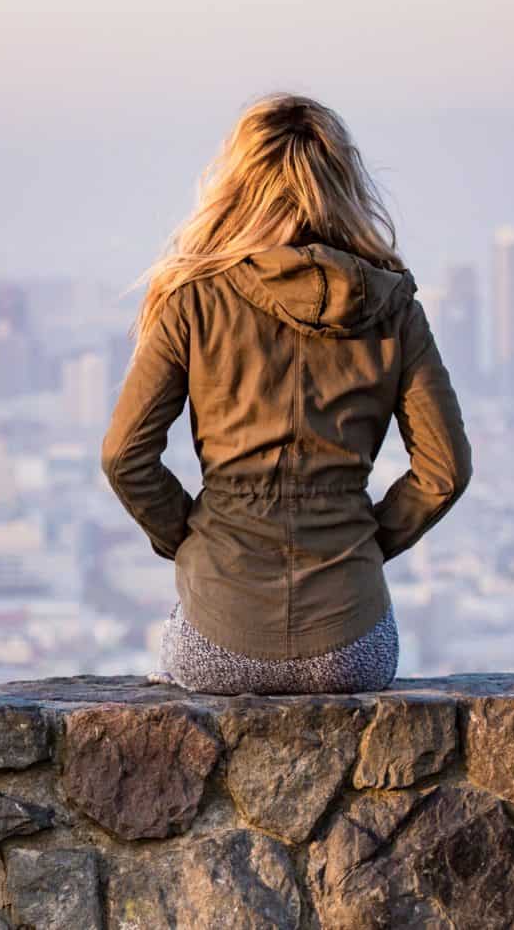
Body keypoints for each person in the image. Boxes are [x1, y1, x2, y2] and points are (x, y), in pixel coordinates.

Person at [101, 92, 471, 694]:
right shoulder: (395, 307)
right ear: (344, 183)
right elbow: (445, 471)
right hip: (353, 646)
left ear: (237, 185)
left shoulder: (192, 300)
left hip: (217, 637)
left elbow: (123, 457)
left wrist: (193, 538)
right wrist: (365, 543)